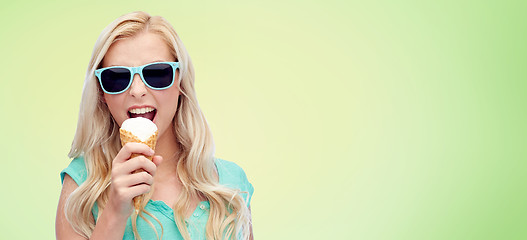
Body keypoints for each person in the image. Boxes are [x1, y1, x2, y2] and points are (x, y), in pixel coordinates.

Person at [55, 11, 254, 240]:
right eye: (117, 77)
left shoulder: (232, 185)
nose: (137, 90)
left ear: (180, 82)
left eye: (157, 73)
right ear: (102, 93)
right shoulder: (82, 185)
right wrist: (114, 212)